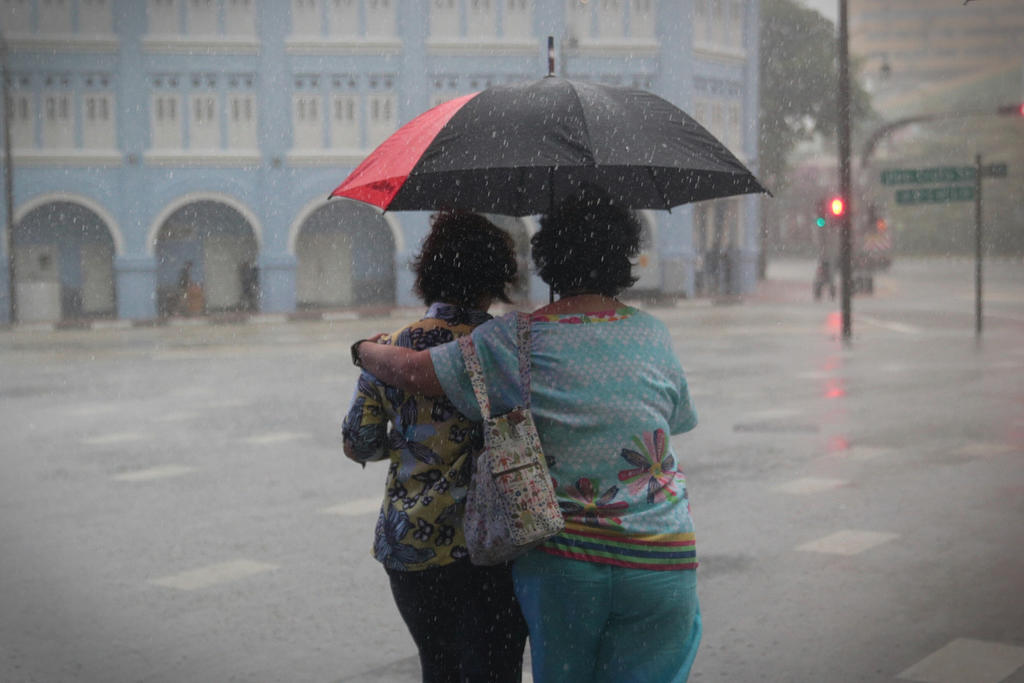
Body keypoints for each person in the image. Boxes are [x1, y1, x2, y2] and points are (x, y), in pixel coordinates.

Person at [351, 189, 702, 683]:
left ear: (547, 262)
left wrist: (363, 350)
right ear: (624, 258)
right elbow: (678, 418)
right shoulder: (653, 334)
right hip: (662, 557)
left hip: (565, 564)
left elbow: (412, 372)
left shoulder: (514, 341)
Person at [341, 211, 528, 683]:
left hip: (412, 547)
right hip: (495, 542)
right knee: (496, 669)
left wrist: (405, 439)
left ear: (428, 274)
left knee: (439, 667)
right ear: (498, 278)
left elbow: (358, 443)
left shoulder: (389, 350)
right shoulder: (510, 348)